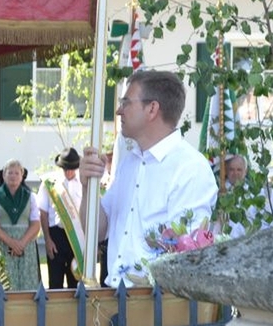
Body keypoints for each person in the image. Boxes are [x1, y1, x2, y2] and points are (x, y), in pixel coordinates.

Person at [80, 70, 218, 287]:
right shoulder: (129, 162)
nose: (118, 111)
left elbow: (187, 257)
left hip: (154, 300)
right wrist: (88, 187)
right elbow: (96, 232)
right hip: (116, 295)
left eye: (126, 103)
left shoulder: (190, 168)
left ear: (152, 108)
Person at [0, 160, 41, 290]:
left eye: (17, 173)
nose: (13, 176)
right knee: (5, 284)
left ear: (22, 176)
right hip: (2, 245)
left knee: (27, 285)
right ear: (4, 175)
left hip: (26, 247)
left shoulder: (30, 197)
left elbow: (36, 224)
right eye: (10, 173)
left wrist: (21, 243)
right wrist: (11, 242)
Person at [37, 148, 85, 289]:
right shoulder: (50, 183)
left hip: (76, 236)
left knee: (75, 281)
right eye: (66, 168)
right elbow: (43, 212)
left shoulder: (84, 182)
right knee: (55, 281)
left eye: (72, 168)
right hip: (56, 235)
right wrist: (47, 239)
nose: (69, 172)